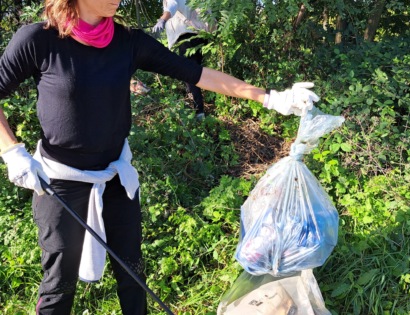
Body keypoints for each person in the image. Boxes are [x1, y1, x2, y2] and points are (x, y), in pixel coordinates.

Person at [0, 0, 319, 314]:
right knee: (59, 285)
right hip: (59, 180)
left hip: (115, 177)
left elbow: (196, 73)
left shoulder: (127, 42)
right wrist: (11, 150)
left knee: (133, 274)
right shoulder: (38, 40)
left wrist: (270, 97)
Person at [152, 0, 216, 119]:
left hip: (188, 36)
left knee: (188, 74)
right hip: (202, 35)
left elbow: (173, 4)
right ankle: (194, 102)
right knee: (195, 72)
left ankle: (198, 111)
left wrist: (163, 19)